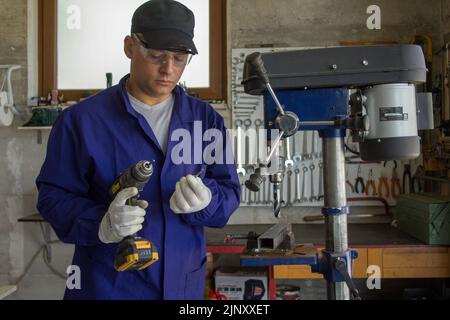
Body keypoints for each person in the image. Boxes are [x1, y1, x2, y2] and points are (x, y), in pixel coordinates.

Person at [36, 0, 240, 300]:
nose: (168, 68)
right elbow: (53, 198)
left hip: (182, 285)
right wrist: (102, 224)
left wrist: (209, 200)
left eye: (180, 58)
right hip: (107, 285)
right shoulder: (81, 121)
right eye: (156, 55)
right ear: (130, 46)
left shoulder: (205, 120)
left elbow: (230, 194)